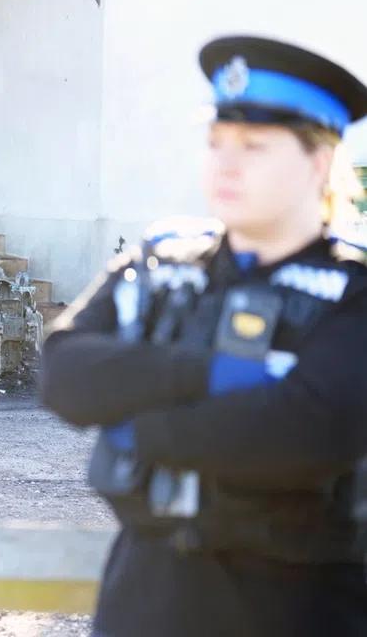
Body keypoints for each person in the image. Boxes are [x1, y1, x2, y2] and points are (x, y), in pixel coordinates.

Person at [39, 34, 367, 637]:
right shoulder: (163, 265)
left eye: (254, 146)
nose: (225, 163)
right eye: (216, 142)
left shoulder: (352, 291)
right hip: (142, 606)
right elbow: (63, 372)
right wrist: (210, 374)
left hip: (299, 611)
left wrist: (134, 429)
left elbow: (308, 431)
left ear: (319, 162)